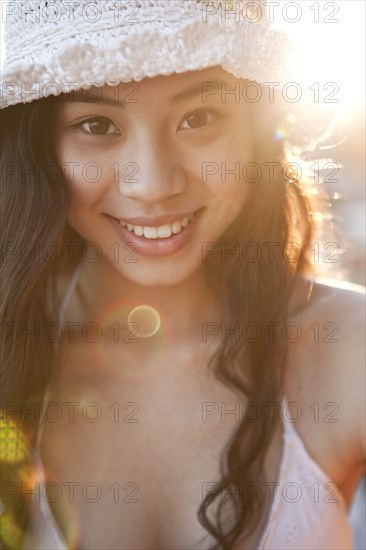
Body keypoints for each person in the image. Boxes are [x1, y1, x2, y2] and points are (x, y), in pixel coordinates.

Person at [0, 1, 364, 549]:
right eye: (96, 125)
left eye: (199, 118)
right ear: (35, 150)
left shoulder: (346, 346)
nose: (153, 183)